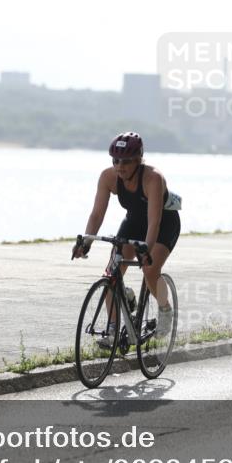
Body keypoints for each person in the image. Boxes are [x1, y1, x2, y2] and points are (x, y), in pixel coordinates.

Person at [72, 132, 180, 338]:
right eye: (115, 160)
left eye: (126, 162)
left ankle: (165, 309)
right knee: (112, 273)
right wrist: (86, 242)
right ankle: (113, 329)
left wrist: (147, 249)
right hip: (134, 222)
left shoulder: (153, 178)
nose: (120, 166)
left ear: (139, 160)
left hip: (163, 224)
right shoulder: (108, 177)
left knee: (150, 270)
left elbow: (154, 221)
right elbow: (96, 214)